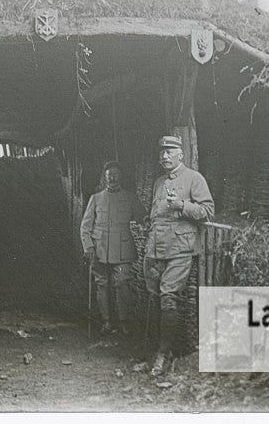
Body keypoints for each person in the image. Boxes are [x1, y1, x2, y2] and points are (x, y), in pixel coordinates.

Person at [142, 134, 214, 376]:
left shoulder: (194, 179)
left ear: (181, 154)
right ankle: (154, 352)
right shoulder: (159, 182)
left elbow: (207, 211)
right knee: (153, 298)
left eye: (169, 151)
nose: (164, 156)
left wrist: (182, 205)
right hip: (155, 248)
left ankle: (163, 354)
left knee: (168, 296)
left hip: (179, 249)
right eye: (161, 152)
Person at [81, 160, 142, 335]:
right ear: (104, 178)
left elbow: (142, 216)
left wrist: (146, 221)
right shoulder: (96, 198)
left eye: (115, 175)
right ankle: (106, 321)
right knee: (102, 285)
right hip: (99, 250)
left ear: (120, 177)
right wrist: (88, 246)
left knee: (122, 284)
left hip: (123, 250)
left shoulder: (131, 198)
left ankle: (124, 321)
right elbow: (85, 226)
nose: (112, 178)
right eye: (109, 176)